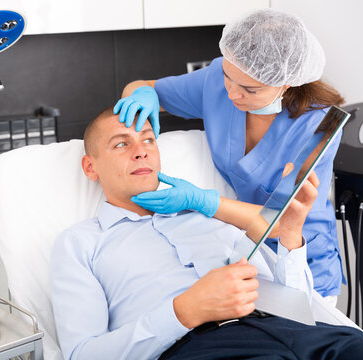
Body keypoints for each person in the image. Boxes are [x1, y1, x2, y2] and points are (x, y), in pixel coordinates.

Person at [50, 108, 363, 360]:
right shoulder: (80, 244)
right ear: (91, 168)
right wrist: (183, 311)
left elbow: (296, 308)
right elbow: (82, 353)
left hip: (301, 334)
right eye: (121, 143)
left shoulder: (206, 213)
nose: (141, 152)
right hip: (200, 347)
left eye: (148, 140)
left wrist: (290, 235)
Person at [112, 8, 345, 299]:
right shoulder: (218, 80)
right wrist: (141, 96)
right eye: (228, 77)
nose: (232, 94)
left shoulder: (319, 125)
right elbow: (141, 87)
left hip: (301, 263)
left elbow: (280, 222)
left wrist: (199, 200)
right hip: (245, 257)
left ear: (286, 83)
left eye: (250, 89)